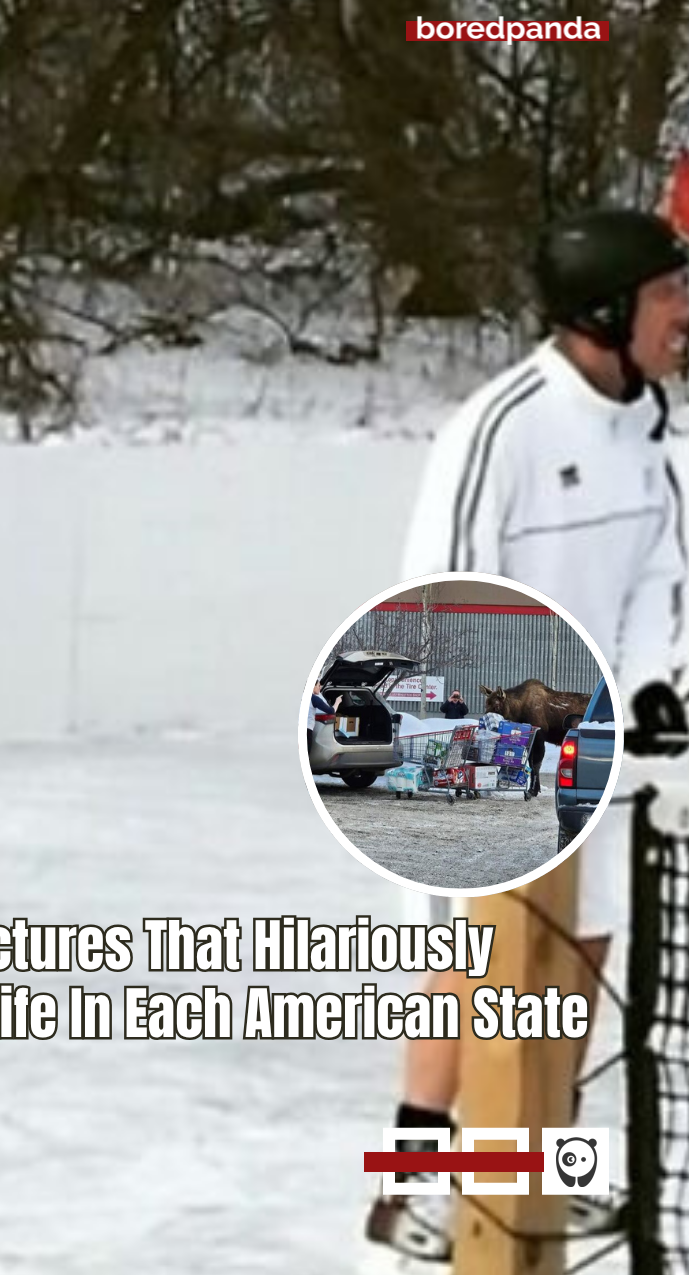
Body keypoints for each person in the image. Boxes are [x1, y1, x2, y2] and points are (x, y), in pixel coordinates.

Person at [369, 208, 689, 1260]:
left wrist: (643, 692)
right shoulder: (502, 424)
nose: (682, 313)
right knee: (475, 958)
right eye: (663, 295)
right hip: (469, 728)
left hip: (590, 742)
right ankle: (414, 1186)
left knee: (584, 947)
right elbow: (443, 589)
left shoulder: (653, 431)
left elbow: (658, 577)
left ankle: (530, 1168)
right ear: (605, 309)